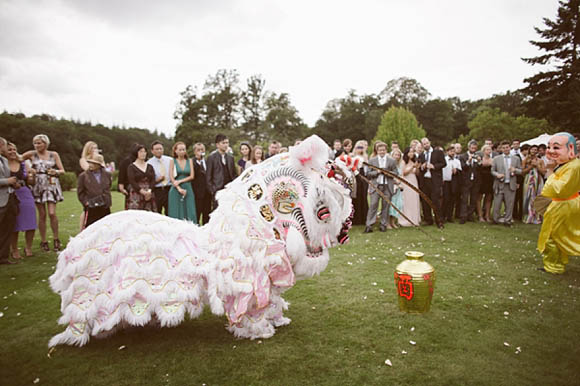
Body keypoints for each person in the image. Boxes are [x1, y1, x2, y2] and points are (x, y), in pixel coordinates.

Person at [537, 132, 580, 274]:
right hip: (561, 204)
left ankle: (554, 266)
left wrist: (550, 170)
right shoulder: (567, 165)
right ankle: (556, 263)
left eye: (556, 148)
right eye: (549, 147)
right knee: (558, 236)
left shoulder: (573, 167)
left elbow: (558, 189)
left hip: (564, 205)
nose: (550, 151)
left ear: (571, 149)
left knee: (552, 236)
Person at [21, 134, 65, 252]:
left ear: (45, 143)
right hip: (38, 185)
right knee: (42, 214)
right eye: (35, 143)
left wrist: (55, 171)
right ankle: (44, 241)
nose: (37, 145)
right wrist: (28, 169)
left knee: (52, 213)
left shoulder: (54, 154)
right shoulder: (31, 154)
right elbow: (18, 159)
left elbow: (62, 170)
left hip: (51, 184)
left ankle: (56, 239)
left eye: (39, 143)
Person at [6, 142, 36, 259]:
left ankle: (28, 247)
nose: (12, 151)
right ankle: (14, 249)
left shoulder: (23, 162)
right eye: (9, 150)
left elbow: (31, 181)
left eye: (14, 149)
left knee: (31, 221)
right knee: (15, 222)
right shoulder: (3, 163)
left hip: (25, 193)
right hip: (10, 194)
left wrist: (32, 176)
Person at [364, 142, 399, 233]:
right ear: (377, 151)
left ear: (386, 150)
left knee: (385, 206)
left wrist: (388, 173)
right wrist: (377, 172)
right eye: (380, 150)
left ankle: (383, 224)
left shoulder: (391, 161)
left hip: (387, 185)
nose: (382, 151)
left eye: (383, 150)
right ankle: (369, 225)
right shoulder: (372, 160)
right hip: (376, 186)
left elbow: (396, 173)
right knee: (373, 205)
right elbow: (367, 173)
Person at [491, 140, 522, 226]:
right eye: (503, 148)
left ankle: (508, 220)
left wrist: (515, 170)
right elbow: (492, 171)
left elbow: (521, 171)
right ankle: (495, 219)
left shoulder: (516, 158)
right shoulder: (496, 159)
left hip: (510, 184)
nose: (505, 149)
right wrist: (497, 175)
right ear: (501, 149)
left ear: (510, 147)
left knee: (510, 204)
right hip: (499, 184)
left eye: (507, 147)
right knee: (497, 203)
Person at [77, 153, 112, 229]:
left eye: (93, 163)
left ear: (99, 165)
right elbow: (80, 192)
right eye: (89, 162)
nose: (90, 165)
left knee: (106, 227)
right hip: (91, 206)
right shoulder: (83, 176)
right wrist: (86, 202)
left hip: (105, 205)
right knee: (91, 228)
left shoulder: (107, 174)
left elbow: (108, 187)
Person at [417, 137, 446, 226]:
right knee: (425, 201)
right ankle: (428, 219)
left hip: (435, 180)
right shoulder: (421, 155)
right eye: (424, 144)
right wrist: (422, 167)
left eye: (427, 143)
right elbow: (419, 166)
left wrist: (434, 166)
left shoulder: (438, 152)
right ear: (422, 145)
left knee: (435, 200)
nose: (426, 145)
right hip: (425, 180)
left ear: (429, 142)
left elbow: (444, 163)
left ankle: (439, 220)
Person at [0, 137, 20, 264]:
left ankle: (3, 257)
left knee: (7, 228)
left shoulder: (4, 160)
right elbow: (5, 179)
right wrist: (7, 181)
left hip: (10, 198)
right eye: (6, 146)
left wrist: (14, 183)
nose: (7, 149)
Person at [168, 142, 197, 223]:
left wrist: (180, 181)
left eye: (184, 149)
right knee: (176, 212)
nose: (182, 151)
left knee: (190, 210)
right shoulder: (172, 161)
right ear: (175, 151)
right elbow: (171, 177)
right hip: (175, 189)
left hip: (188, 187)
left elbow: (192, 176)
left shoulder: (189, 160)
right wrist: (179, 188)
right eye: (180, 150)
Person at [206, 134, 237, 209]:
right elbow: (208, 177)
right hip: (217, 190)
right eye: (223, 143)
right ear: (217, 145)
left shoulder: (230, 158)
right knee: (217, 212)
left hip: (229, 190)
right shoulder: (211, 157)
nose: (226, 145)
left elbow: (234, 174)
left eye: (227, 143)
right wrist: (213, 191)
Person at [127, 144, 157, 212]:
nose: (143, 153)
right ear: (136, 153)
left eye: (144, 151)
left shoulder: (150, 166)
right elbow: (132, 181)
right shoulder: (131, 167)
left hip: (149, 192)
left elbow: (153, 180)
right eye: (141, 151)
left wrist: (149, 191)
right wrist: (142, 192)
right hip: (137, 192)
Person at [78, 141, 100, 230]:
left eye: (96, 148)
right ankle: (82, 230)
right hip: (89, 187)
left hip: (98, 187)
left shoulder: (99, 159)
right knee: (86, 209)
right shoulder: (83, 160)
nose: (95, 150)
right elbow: (88, 169)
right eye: (93, 148)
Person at [458, 140, 481, 224]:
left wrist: (479, 162)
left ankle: (469, 215)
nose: (473, 149)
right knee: (464, 199)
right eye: (472, 148)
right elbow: (462, 167)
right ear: (468, 147)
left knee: (473, 199)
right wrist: (468, 161)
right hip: (465, 181)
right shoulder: (463, 156)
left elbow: (480, 169)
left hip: (475, 181)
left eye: (475, 148)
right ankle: (463, 216)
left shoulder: (478, 156)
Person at [147, 140, 172, 215]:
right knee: (157, 213)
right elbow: (149, 181)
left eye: (161, 149)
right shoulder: (149, 163)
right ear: (152, 151)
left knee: (170, 213)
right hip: (157, 191)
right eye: (157, 149)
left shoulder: (170, 160)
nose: (159, 151)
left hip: (169, 189)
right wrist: (157, 180)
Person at [521, 145, 544, 224]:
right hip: (528, 179)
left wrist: (537, 166)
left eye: (535, 150)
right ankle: (528, 216)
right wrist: (531, 166)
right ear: (529, 150)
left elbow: (544, 172)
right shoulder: (525, 160)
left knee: (536, 197)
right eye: (532, 149)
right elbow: (522, 172)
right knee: (528, 196)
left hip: (538, 180)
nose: (534, 151)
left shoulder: (540, 161)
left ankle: (536, 216)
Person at [398, 146, 421, 227]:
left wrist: (417, 168)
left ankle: (414, 219)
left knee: (414, 199)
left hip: (414, 180)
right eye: (410, 152)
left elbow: (417, 173)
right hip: (407, 181)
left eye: (412, 152)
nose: (411, 153)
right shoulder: (404, 161)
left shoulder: (414, 161)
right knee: (407, 200)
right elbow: (404, 172)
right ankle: (406, 219)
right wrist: (413, 166)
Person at [192, 143, 211, 225]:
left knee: (207, 213)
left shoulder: (207, 161)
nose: (200, 152)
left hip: (207, 192)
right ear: (194, 152)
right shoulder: (192, 162)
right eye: (198, 150)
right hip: (197, 192)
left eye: (202, 150)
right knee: (197, 212)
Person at [442, 145, 462, 223]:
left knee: (452, 199)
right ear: (447, 152)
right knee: (445, 199)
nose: (452, 153)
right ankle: (443, 216)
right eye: (451, 151)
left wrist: (456, 170)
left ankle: (450, 216)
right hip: (445, 181)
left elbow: (461, 171)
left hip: (453, 182)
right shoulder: (444, 160)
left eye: (453, 151)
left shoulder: (457, 161)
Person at [351, 141, 368, 226]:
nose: (360, 149)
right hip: (355, 177)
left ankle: (364, 218)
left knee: (363, 197)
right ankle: (356, 219)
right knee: (355, 197)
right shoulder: (352, 156)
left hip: (363, 176)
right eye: (358, 147)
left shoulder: (365, 157)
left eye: (361, 147)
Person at [117, 143, 139, 210]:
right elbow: (121, 176)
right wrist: (122, 188)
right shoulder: (126, 161)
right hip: (130, 188)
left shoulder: (144, 161)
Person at [476, 144, 494, 222]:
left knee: (488, 199)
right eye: (487, 149)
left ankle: (487, 215)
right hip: (481, 180)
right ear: (483, 151)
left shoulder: (493, 160)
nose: (489, 151)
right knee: (479, 198)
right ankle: (480, 216)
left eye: (490, 150)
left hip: (490, 180)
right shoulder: (479, 159)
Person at [388, 148, 404, 229]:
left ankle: (393, 222)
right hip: (391, 186)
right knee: (390, 204)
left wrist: (400, 182)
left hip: (398, 187)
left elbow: (401, 175)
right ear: (392, 155)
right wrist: (395, 182)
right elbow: (388, 176)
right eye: (395, 155)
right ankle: (388, 223)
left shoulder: (399, 165)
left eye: (398, 155)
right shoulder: (389, 164)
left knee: (397, 204)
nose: (397, 156)